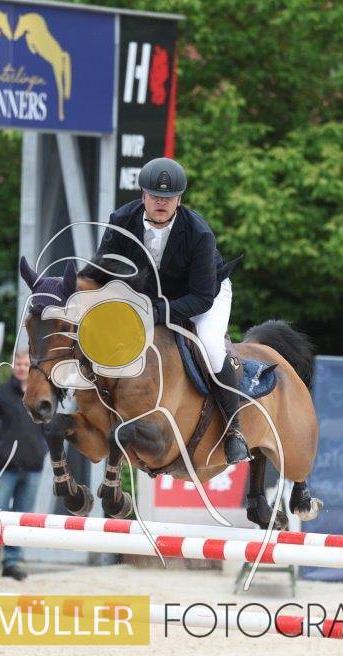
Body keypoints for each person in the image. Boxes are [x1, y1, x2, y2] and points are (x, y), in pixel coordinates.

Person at [92, 156, 249, 464]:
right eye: (154, 195)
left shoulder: (199, 234)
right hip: (152, 298)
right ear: (143, 195)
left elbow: (201, 298)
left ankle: (234, 430)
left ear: (180, 199)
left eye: (169, 197)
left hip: (204, 294)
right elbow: (103, 272)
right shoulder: (121, 220)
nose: (161, 202)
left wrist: (154, 313)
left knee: (211, 347)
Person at [0, 349, 48, 581]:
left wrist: (42, 450)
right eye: (18, 363)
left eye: (26, 363)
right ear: (12, 365)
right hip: (3, 467)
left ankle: (11, 562)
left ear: (32, 366)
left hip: (33, 468)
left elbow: (49, 427)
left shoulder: (41, 393)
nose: (21, 367)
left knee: (22, 519)